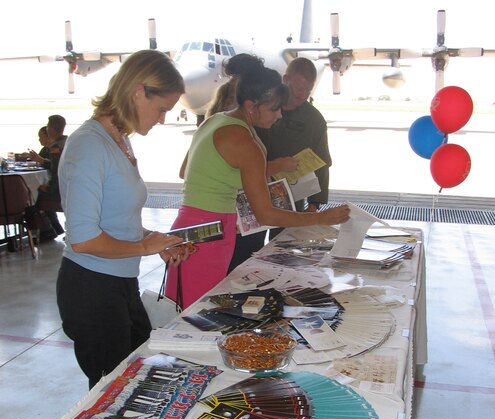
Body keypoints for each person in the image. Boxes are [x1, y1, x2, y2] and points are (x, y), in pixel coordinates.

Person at [164, 57, 349, 310]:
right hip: (211, 236)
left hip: (188, 229)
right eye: (274, 108)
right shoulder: (245, 141)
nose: (280, 115)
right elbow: (266, 214)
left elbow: (186, 170)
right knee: (203, 313)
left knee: (189, 311)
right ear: (252, 106)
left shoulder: (214, 121)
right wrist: (321, 217)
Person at [57, 49, 192, 389]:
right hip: (92, 287)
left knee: (134, 382)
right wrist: (144, 246)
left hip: (118, 283)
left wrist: (155, 240)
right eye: (161, 108)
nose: (162, 119)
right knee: (112, 392)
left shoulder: (120, 141)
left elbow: (117, 221)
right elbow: (84, 238)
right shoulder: (89, 145)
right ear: (138, 92)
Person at [228, 57, 331, 271]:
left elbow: (322, 164)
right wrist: (276, 166)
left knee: (285, 256)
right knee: (245, 253)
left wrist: (315, 205)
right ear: (285, 79)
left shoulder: (314, 120)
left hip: (292, 197)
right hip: (248, 196)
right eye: (299, 87)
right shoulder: (257, 109)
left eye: (308, 90)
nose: (302, 94)